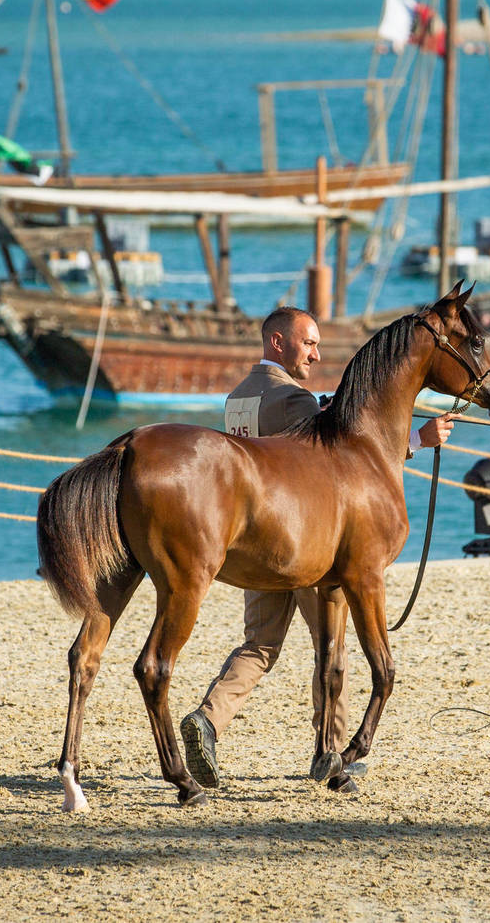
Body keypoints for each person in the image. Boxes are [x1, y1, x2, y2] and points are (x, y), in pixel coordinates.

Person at [180, 305, 455, 794]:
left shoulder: (238, 396)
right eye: (308, 343)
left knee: (260, 645)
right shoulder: (293, 397)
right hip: (305, 530)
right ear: (278, 343)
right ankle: (331, 755)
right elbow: (342, 456)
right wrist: (418, 437)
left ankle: (209, 718)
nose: (316, 353)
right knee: (332, 644)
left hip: (251, 539)